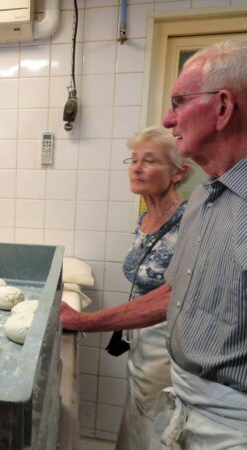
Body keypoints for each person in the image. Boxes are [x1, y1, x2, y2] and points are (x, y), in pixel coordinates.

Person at [62, 39, 247, 449]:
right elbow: (182, 292)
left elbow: (168, 299)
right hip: (186, 396)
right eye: (135, 160)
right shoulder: (208, 198)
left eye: (179, 102)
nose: (168, 119)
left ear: (223, 107)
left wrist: (87, 322)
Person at [64, 126, 190, 450]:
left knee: (156, 430)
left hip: (171, 350)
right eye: (133, 160)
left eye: (150, 161)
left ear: (178, 172)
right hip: (142, 343)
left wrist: (86, 321)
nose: (136, 168)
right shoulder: (145, 220)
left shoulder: (190, 223)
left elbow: (174, 295)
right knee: (135, 425)